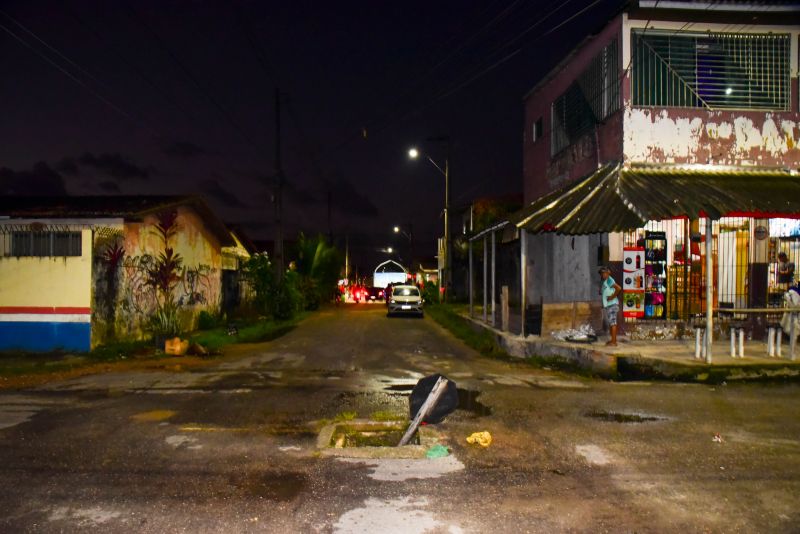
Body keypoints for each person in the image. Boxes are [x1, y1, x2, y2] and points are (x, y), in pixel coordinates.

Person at [598, 266, 622, 346]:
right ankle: (612, 340)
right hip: (609, 305)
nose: (603, 275)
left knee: (613, 323)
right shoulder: (605, 281)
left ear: (608, 272)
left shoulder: (609, 280)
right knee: (612, 323)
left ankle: (614, 342)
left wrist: (612, 297)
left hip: (612, 304)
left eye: (604, 273)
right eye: (602, 273)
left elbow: (618, 288)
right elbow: (604, 291)